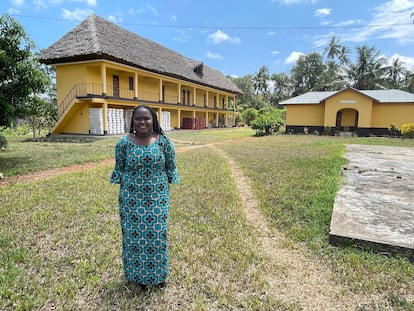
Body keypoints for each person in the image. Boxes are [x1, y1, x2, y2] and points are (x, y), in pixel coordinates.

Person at [110, 105, 180, 289]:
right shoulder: (124, 144)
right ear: (132, 121)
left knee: (157, 236)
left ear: (153, 121)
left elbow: (171, 168)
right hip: (131, 199)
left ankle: (158, 277)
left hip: (158, 199)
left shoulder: (164, 142)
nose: (142, 122)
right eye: (138, 118)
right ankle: (135, 278)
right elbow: (120, 168)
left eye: (146, 118)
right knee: (132, 239)